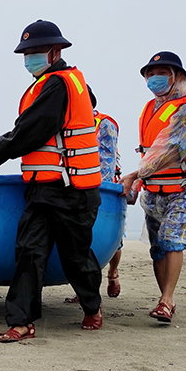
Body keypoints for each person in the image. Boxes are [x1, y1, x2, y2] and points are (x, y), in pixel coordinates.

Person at [0, 20, 103, 343]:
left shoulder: (59, 84)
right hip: (43, 189)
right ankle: (22, 321)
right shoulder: (53, 83)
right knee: (29, 252)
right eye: (26, 52)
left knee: (77, 257)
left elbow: (30, 130)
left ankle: (92, 305)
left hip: (73, 190)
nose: (29, 58)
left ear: (55, 51)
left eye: (35, 52)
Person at [120, 51, 186, 324]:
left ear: (177, 76)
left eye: (162, 73)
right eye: (150, 74)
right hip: (154, 191)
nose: (154, 79)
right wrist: (139, 182)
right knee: (157, 247)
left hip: (184, 188)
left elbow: (172, 150)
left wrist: (134, 175)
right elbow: (149, 152)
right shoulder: (149, 109)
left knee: (172, 239)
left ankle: (167, 300)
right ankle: (165, 300)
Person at [65, 86, 123, 303]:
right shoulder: (66, 125)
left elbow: (107, 161)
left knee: (112, 242)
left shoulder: (104, 124)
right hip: (74, 188)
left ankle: (112, 273)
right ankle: (85, 289)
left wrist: (103, 191)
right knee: (82, 240)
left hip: (99, 188)